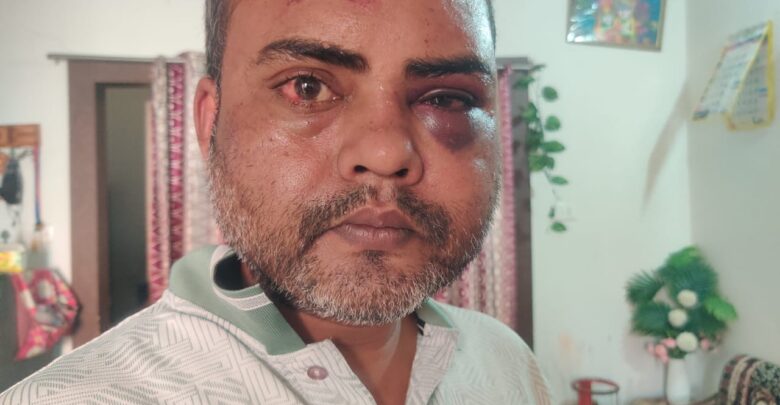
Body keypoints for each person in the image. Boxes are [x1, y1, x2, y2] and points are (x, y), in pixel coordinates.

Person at [1, 0, 552, 403]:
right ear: (209, 123)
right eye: (307, 87)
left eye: (447, 98)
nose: (386, 153)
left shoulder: (504, 361)